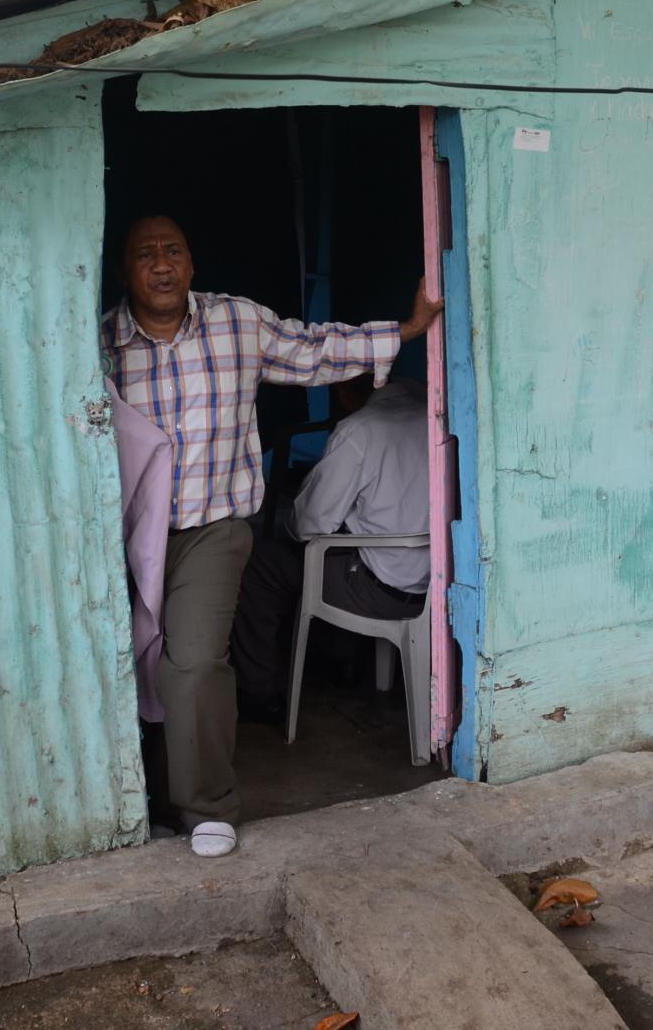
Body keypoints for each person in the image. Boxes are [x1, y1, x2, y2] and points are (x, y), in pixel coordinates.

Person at [102, 214, 440, 857]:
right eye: (145, 254)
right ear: (125, 272)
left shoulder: (237, 323)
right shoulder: (102, 347)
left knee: (193, 662)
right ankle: (133, 795)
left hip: (213, 527)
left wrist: (406, 329)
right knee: (124, 661)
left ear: (193, 264)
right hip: (126, 534)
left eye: (174, 249)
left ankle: (203, 805)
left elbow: (315, 348)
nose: (162, 263)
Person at [231, 374, 429, 725]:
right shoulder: (433, 412)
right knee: (342, 548)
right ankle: (345, 659)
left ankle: (258, 693)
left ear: (341, 389)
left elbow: (308, 524)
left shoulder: (360, 430)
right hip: (432, 587)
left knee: (263, 563)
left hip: (379, 590)